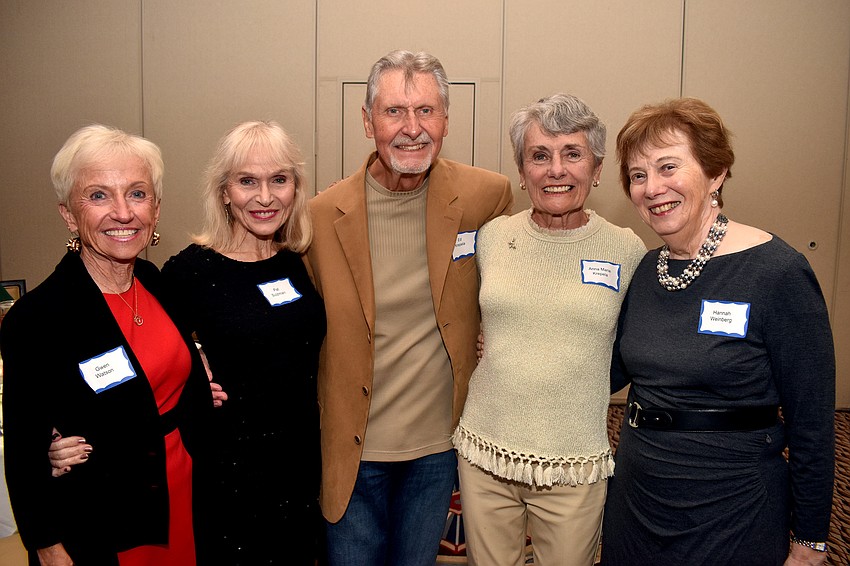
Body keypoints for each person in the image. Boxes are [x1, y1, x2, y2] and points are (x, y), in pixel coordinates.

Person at [600, 98, 835, 566]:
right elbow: (608, 372)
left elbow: (812, 423)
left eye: (669, 167)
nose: (652, 188)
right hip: (637, 498)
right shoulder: (649, 270)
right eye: (638, 175)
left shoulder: (777, 272)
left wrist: (810, 542)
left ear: (716, 172)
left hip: (731, 505)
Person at [306, 50, 513, 565]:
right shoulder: (318, 219)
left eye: (426, 111)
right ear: (367, 120)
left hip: (436, 450)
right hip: (351, 449)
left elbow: (514, 277)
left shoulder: (486, 196)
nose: (411, 128)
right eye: (394, 111)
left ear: (446, 120)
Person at [0, 124, 213, 565]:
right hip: (106, 516)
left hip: (187, 494)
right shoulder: (36, 319)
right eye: (98, 196)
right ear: (68, 213)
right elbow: (23, 456)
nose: (122, 212)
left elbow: (169, 372)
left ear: (156, 208)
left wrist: (202, 383)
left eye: (137, 193)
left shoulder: (158, 285)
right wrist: (49, 548)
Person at [452, 94, 646, 566]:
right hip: (484, 455)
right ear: (522, 171)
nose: (555, 169)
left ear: (596, 168)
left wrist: (582, 374)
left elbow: (640, 346)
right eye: (540, 156)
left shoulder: (627, 249)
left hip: (574, 462)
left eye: (572, 154)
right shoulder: (493, 238)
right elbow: (459, 309)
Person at [159, 120, 326, 565]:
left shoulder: (298, 263)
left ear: (296, 188)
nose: (266, 197)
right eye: (247, 181)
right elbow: (144, 353)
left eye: (279, 180)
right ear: (224, 192)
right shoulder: (190, 272)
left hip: (302, 464)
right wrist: (192, 368)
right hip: (229, 473)